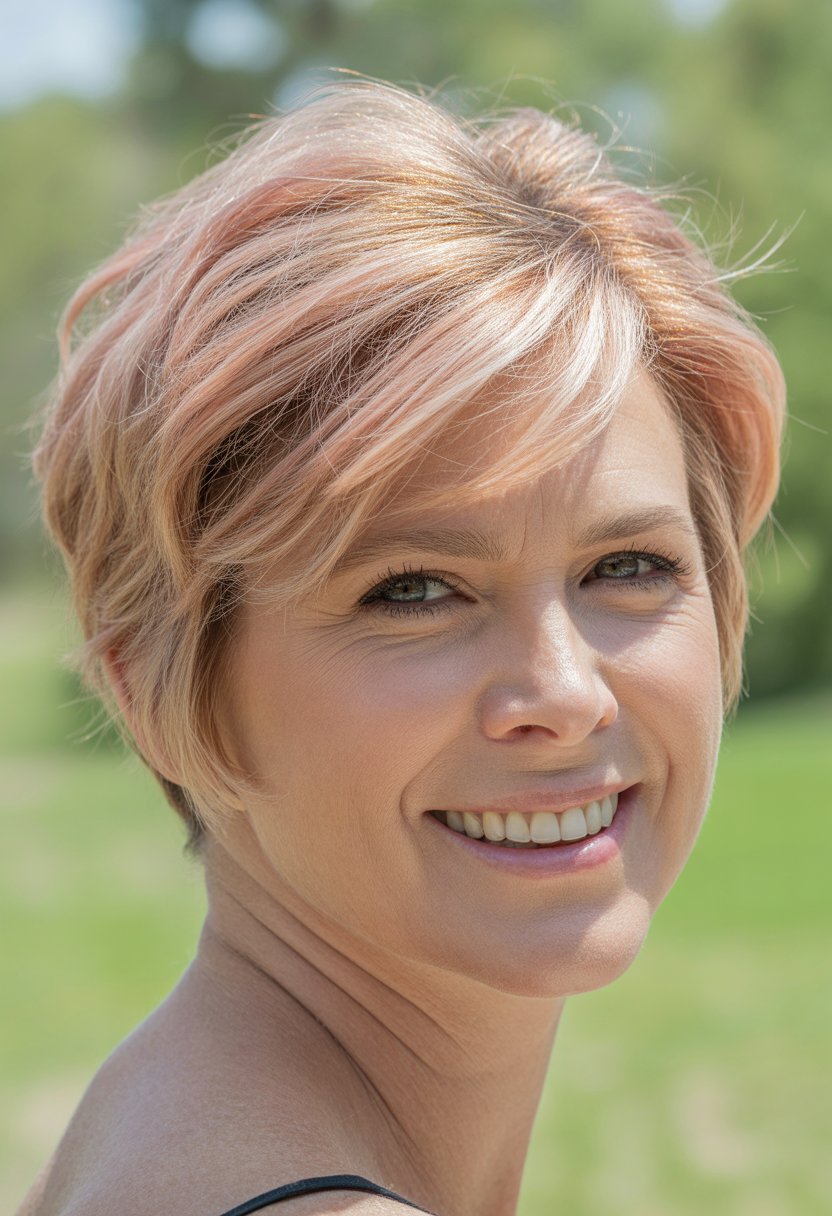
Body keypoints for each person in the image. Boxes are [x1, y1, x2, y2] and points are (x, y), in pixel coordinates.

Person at [19, 79, 784, 1216]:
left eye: (627, 567)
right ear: (160, 696)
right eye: (414, 591)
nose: (564, 692)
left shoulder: (149, 1130)